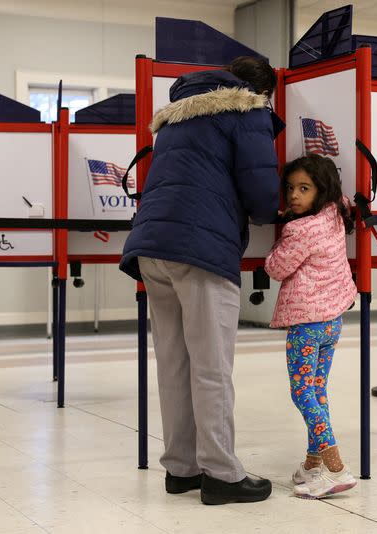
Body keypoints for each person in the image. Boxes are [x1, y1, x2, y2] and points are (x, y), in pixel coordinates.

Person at [120, 56, 281, 505]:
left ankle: (182, 468)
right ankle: (223, 475)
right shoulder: (248, 111)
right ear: (260, 91)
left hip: (152, 245)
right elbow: (262, 191)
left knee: (174, 364)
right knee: (212, 367)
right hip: (201, 249)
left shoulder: (178, 116)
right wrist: (279, 213)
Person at [264, 154, 358, 499]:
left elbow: (276, 268)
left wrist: (281, 232)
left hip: (306, 323)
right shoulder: (336, 212)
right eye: (290, 188)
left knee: (301, 391)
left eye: (304, 189)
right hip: (332, 321)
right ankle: (312, 463)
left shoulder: (298, 229)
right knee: (317, 390)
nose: (293, 196)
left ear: (320, 191)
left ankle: (335, 468)